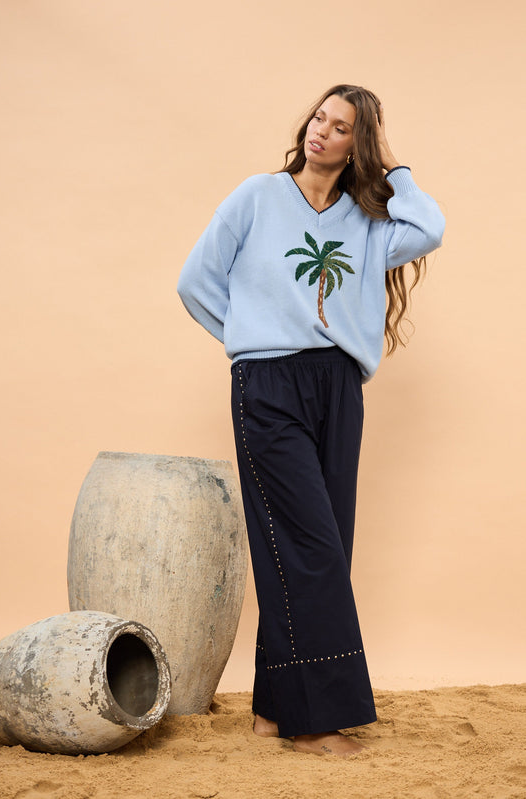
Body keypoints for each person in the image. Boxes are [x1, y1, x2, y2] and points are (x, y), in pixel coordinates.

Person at [177, 84, 445, 757]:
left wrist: (393, 167)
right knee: (309, 547)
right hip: (268, 385)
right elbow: (195, 281)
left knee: (320, 545)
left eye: (341, 126)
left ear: (358, 144)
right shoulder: (257, 197)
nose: (320, 131)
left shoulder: (367, 221)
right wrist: (251, 340)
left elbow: (429, 229)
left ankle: (275, 708)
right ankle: (316, 720)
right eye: (318, 118)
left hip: (338, 387)